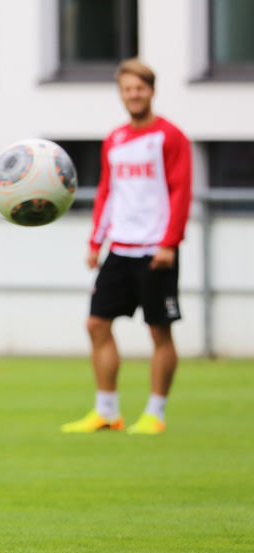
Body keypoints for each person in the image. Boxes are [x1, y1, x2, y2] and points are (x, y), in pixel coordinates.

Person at [61, 58, 192, 435]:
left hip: (156, 249)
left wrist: (170, 242)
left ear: (151, 91)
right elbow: (108, 193)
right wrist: (95, 241)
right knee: (96, 323)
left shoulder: (170, 136)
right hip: (120, 247)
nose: (134, 95)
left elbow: (180, 190)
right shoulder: (115, 140)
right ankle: (107, 411)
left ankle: (156, 413)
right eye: (127, 89)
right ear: (121, 94)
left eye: (140, 88)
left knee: (158, 331)